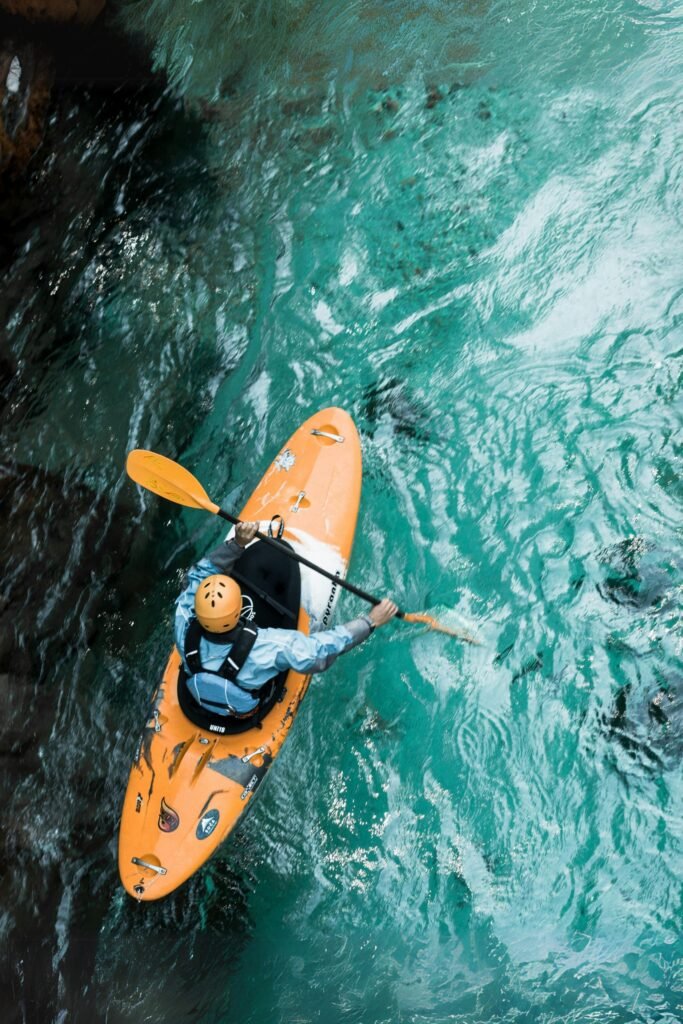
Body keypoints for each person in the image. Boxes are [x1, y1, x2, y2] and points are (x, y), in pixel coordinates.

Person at [175, 521, 398, 718]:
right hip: (246, 709)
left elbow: (195, 577)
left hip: (198, 697)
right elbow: (319, 653)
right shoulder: (268, 646)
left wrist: (236, 544)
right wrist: (370, 621)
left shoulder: (184, 620)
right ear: (239, 611)